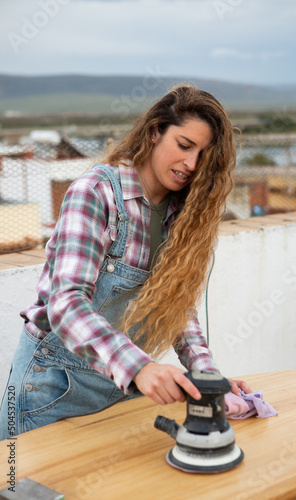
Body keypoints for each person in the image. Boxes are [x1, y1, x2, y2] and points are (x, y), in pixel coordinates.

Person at [0, 85, 251, 440]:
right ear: (154, 133)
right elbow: (66, 304)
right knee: (22, 490)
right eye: (183, 145)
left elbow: (177, 308)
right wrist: (141, 368)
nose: (191, 165)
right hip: (47, 392)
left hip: (117, 392)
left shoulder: (182, 215)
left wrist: (210, 381)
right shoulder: (96, 193)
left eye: (203, 155)